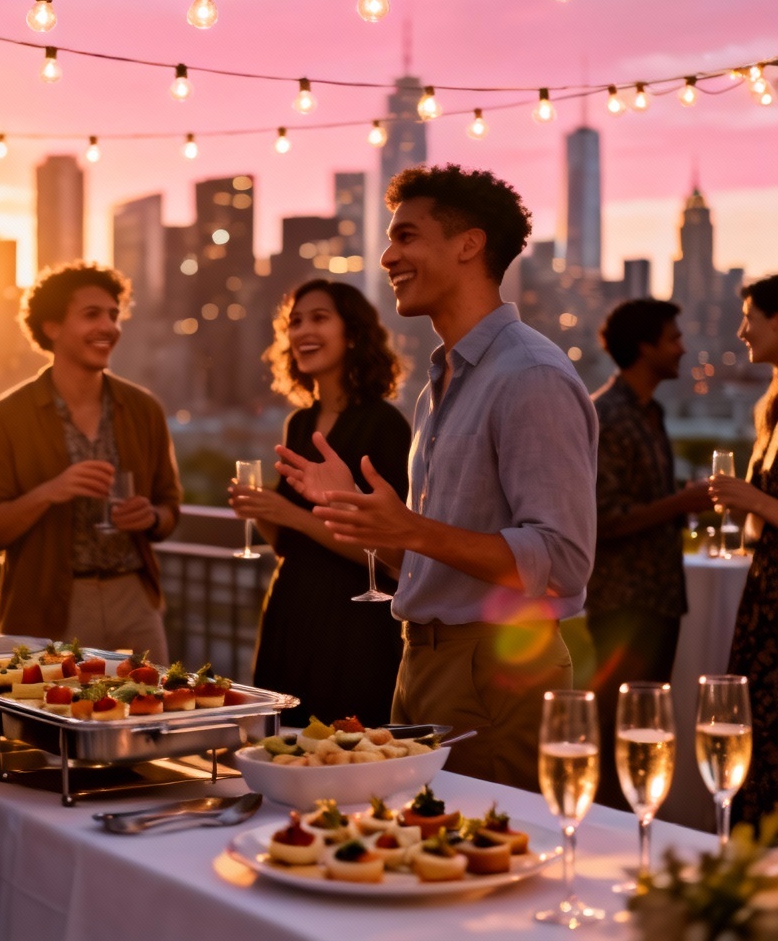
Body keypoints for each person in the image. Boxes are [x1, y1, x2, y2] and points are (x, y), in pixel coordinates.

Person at [276, 163, 598, 791]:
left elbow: (563, 561)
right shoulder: (440, 385)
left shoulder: (530, 375)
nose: (388, 256)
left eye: (407, 236)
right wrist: (359, 511)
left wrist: (411, 529)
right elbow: (430, 559)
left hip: (495, 666)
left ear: (468, 245)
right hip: (419, 661)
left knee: (486, 844)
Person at [0, 261, 181, 662]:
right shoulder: (5, 418)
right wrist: (50, 492)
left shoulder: (144, 408)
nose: (109, 326)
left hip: (134, 599)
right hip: (48, 607)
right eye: (92, 314)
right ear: (52, 327)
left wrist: (150, 517)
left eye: (114, 315)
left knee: (158, 701)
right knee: (48, 704)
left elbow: (170, 507)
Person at [229, 279, 411, 726]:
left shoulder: (384, 424)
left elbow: (391, 556)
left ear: (352, 334)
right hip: (292, 607)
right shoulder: (299, 423)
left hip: (354, 624)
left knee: (346, 748)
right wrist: (262, 512)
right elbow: (289, 544)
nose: (303, 331)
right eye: (295, 322)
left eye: (319, 318)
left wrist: (292, 514)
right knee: (280, 743)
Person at [585, 298, 712, 808]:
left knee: (646, 730)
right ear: (644, 346)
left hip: (659, 597)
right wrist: (682, 502)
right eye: (673, 338)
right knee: (619, 730)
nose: (683, 348)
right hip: (624, 602)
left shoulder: (651, 412)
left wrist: (680, 504)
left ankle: (638, 824)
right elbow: (605, 517)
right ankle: (609, 830)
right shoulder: (608, 416)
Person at [709, 274, 778, 829]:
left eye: (750, 317)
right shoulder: (770, 408)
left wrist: (753, 499)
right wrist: (745, 511)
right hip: (765, 600)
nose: (741, 330)